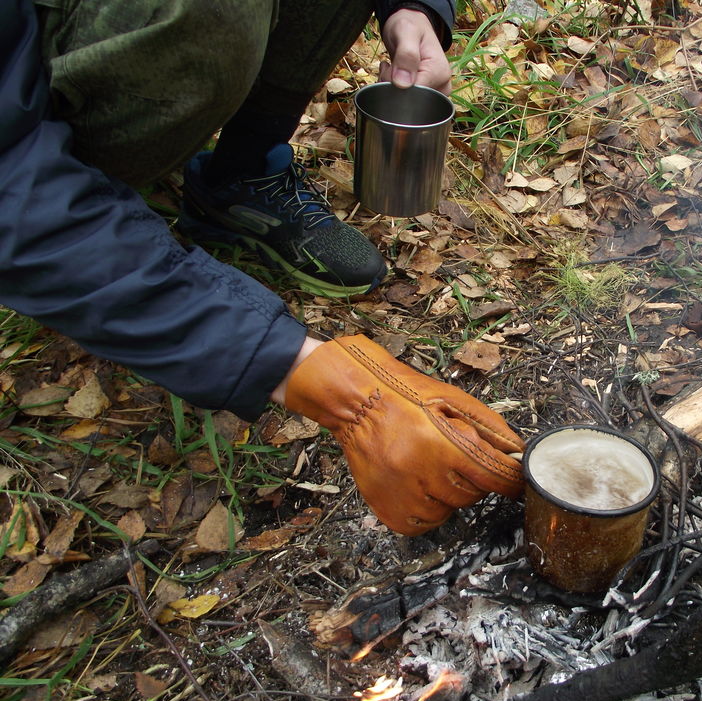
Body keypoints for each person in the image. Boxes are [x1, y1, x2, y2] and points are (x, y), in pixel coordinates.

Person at [0, 0, 524, 535]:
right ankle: (100, 199)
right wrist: (328, 386)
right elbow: (13, 196)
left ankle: (241, 175)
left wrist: (411, 12)